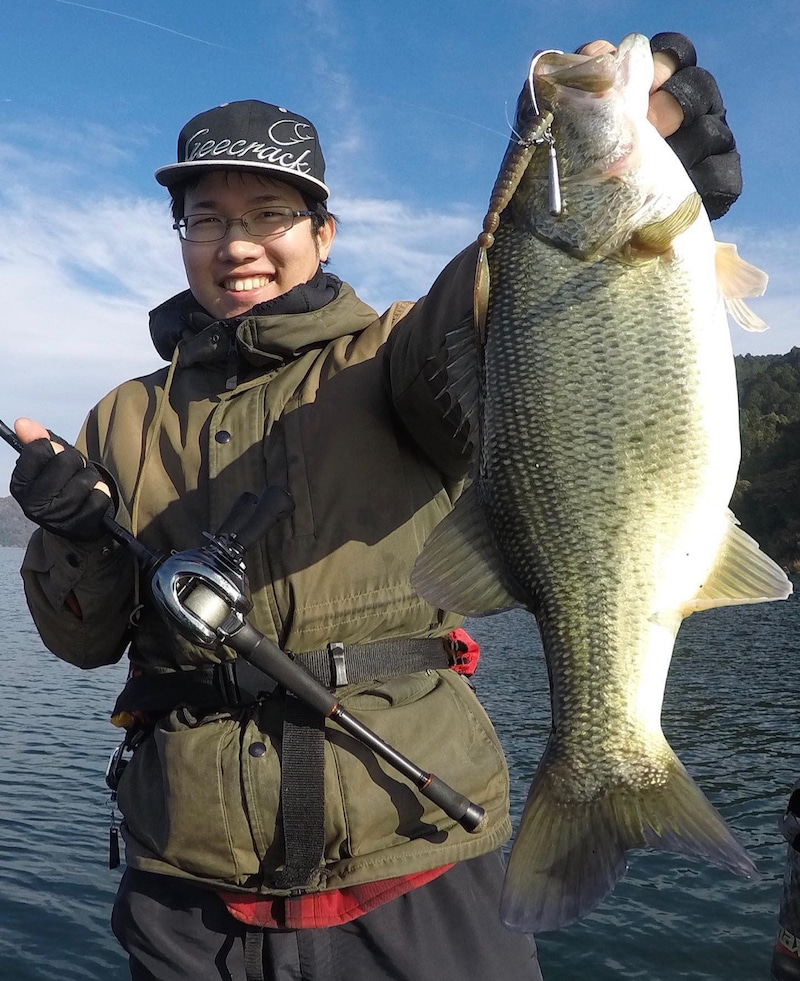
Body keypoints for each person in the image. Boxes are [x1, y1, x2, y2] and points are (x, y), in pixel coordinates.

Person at [10, 32, 742, 981]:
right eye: (206, 218)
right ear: (181, 237)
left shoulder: (394, 352)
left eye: (270, 213)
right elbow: (81, 640)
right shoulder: (122, 416)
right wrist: (71, 534)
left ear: (323, 233)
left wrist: (597, 159)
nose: (238, 244)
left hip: (418, 856)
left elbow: (501, 297)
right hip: (186, 892)